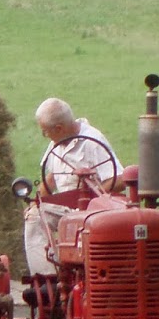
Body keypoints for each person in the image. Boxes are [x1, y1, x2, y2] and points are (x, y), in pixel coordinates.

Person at [23, 97, 122, 278]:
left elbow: (119, 179)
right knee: (34, 216)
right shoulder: (56, 144)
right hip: (67, 209)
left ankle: (53, 277)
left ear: (59, 128)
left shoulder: (92, 141)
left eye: (45, 132)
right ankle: (48, 279)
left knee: (38, 217)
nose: (45, 135)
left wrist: (94, 199)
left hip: (92, 211)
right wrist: (36, 202)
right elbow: (51, 178)